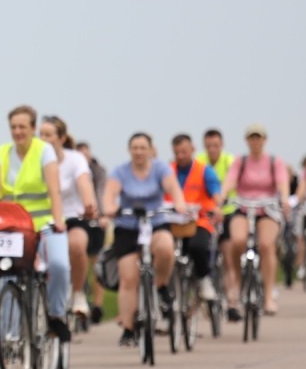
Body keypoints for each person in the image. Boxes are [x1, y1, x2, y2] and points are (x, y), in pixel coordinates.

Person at [0, 105, 71, 343]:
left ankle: (56, 314)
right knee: (8, 274)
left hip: (44, 223)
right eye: (13, 127)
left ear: (33, 128)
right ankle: (8, 337)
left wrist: (58, 221)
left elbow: (54, 190)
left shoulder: (44, 151)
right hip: (12, 226)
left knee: (60, 265)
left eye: (22, 127)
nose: (17, 132)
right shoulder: (2, 153)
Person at [101, 133, 187, 347]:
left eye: (142, 148)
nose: (138, 152)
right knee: (128, 278)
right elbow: (110, 194)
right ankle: (128, 328)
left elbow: (173, 188)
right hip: (128, 226)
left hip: (155, 222)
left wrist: (179, 203)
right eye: (134, 148)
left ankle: (161, 286)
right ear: (129, 150)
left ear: (150, 150)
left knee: (166, 248)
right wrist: (109, 208)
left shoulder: (160, 169)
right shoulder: (120, 171)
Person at [218, 124, 290, 317]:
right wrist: (222, 195)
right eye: (252, 138)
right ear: (247, 140)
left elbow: (282, 183)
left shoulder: (274, 162)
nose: (255, 141)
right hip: (243, 207)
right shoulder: (240, 161)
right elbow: (230, 181)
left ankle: (268, 296)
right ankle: (236, 284)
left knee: (266, 245)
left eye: (258, 138)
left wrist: (284, 198)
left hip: (267, 210)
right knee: (237, 241)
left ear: (264, 140)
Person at [39, 116, 98, 320]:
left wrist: (89, 204)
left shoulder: (75, 159)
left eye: (48, 135)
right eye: (40, 135)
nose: (43, 139)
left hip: (72, 216)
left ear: (62, 138)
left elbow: (84, 183)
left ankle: (78, 293)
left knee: (76, 245)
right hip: (43, 219)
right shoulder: (33, 159)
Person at [168, 133, 222, 301]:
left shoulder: (204, 170)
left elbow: (216, 192)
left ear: (192, 149)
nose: (180, 156)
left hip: (199, 221)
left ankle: (203, 278)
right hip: (173, 221)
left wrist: (218, 207)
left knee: (197, 247)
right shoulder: (167, 170)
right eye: (177, 152)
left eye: (184, 152)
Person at [75, 141, 109, 322]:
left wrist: (103, 215)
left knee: (96, 263)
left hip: (96, 218)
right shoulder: (72, 169)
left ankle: (97, 305)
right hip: (76, 217)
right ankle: (77, 293)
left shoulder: (98, 171)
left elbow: (102, 192)